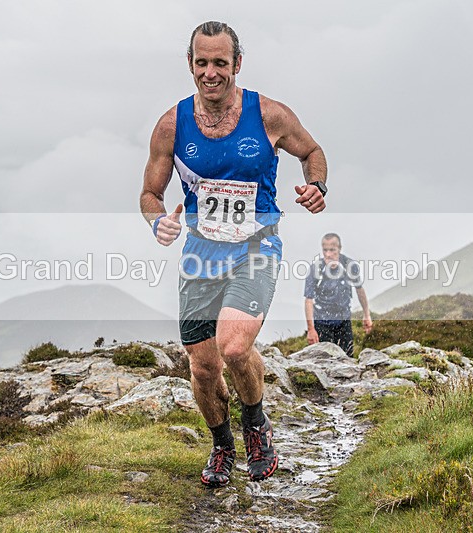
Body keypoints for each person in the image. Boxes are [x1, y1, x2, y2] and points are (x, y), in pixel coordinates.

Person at [140, 21, 327, 488]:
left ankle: (256, 425)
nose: (210, 73)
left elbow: (313, 151)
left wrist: (317, 185)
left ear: (236, 65)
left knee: (235, 347)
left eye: (220, 63)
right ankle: (222, 444)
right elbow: (149, 193)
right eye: (201, 63)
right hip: (201, 256)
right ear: (190, 64)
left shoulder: (268, 115)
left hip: (256, 247)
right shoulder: (171, 126)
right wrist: (158, 220)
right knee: (202, 368)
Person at [304, 233, 373, 355]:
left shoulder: (350, 265)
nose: (328, 254)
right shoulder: (315, 269)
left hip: (344, 321)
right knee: (325, 362)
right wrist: (311, 329)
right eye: (325, 250)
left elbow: (359, 289)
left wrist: (366, 315)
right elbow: (308, 299)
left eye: (332, 250)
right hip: (322, 323)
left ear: (339, 249)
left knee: (347, 359)